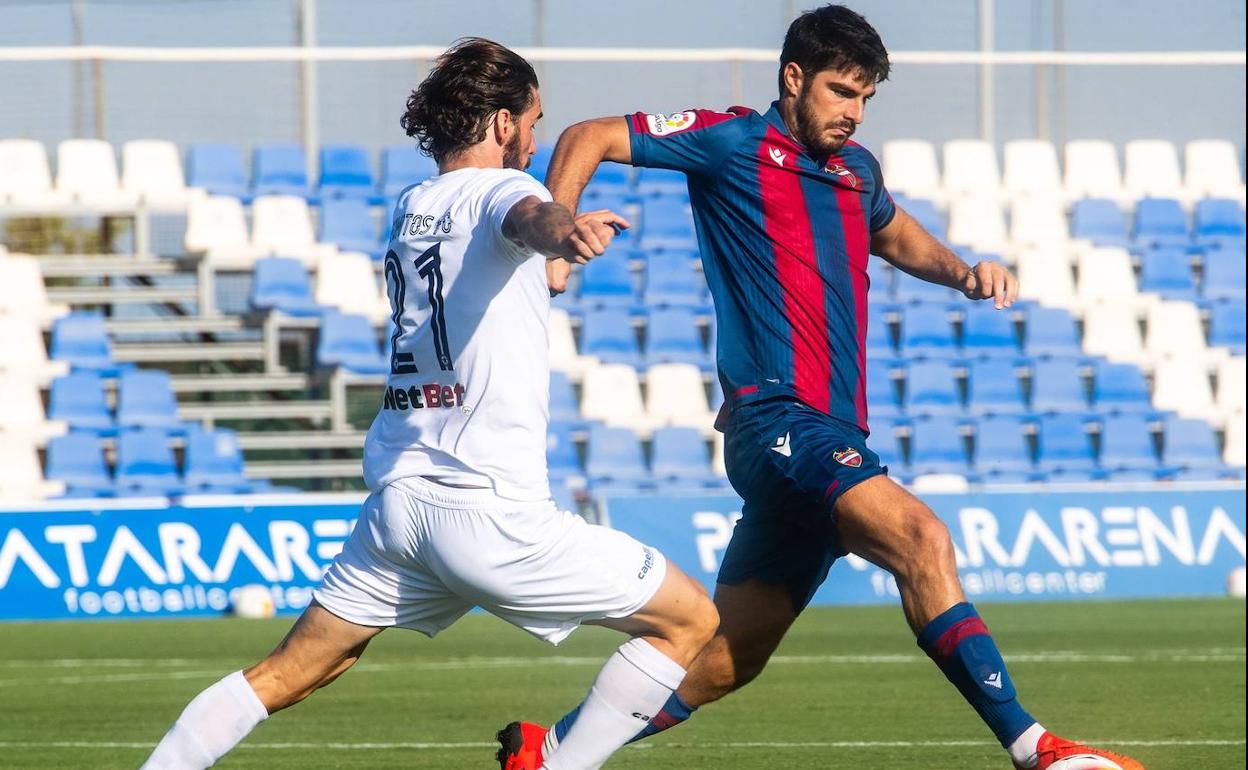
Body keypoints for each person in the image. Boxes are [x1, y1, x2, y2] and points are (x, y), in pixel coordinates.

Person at [502, 7, 1145, 770]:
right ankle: (1038, 750)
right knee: (922, 540)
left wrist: (963, 272)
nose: (854, 112)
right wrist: (558, 233)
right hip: (778, 418)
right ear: (794, 77)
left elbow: (896, 232)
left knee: (727, 659)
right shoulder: (735, 140)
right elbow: (590, 135)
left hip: (831, 431)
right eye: (842, 91)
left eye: (866, 98)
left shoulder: (855, 171)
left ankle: (552, 753)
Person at [139, 37, 717, 770]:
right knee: (689, 620)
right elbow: (527, 218)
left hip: (400, 507)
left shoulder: (414, 205)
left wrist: (556, 254)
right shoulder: (504, 192)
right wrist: (561, 226)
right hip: (487, 510)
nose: (535, 140)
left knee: (284, 674)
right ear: (504, 123)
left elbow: (508, 268)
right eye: (534, 121)